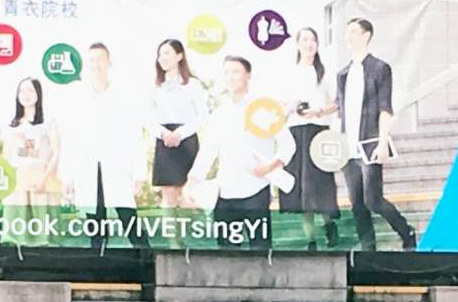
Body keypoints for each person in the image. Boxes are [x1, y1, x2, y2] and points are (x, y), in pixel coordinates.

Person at [188, 55, 296, 251]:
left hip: (256, 190)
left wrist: (269, 166)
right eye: (226, 72)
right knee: (226, 253)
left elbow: (288, 145)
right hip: (225, 193)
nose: (230, 77)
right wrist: (193, 181)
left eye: (236, 71)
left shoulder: (264, 108)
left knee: (261, 251)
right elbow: (208, 150)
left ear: (248, 76)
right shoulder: (220, 113)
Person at [335, 17, 416, 252]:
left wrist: (382, 143)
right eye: (347, 32)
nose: (348, 37)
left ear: (366, 36)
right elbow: (339, 109)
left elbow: (385, 108)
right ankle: (368, 247)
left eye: (353, 32)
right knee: (357, 203)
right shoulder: (342, 74)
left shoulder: (379, 68)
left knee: (373, 199)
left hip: (369, 143)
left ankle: (406, 231)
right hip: (347, 145)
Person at [64, 42, 147, 248]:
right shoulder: (77, 97)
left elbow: (135, 136)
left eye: (100, 59)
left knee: (130, 221)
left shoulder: (123, 96)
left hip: (117, 166)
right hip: (87, 167)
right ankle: (98, 263)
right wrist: (67, 177)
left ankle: (147, 261)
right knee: (95, 225)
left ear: (109, 62)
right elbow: (71, 138)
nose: (96, 64)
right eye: (91, 60)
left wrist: (139, 173)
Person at [280, 28, 342, 251]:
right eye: (304, 40)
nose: (309, 44)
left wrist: (319, 111)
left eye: (313, 40)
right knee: (301, 187)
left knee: (320, 182)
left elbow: (337, 102)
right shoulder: (289, 73)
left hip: (319, 131)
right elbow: (282, 106)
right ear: (297, 44)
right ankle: (311, 240)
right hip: (296, 132)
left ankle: (329, 224)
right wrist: (293, 107)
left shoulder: (325, 72)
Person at [149, 38, 206, 210]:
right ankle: (171, 230)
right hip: (164, 140)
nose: (162, 58)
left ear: (179, 56)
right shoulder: (155, 86)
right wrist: (163, 133)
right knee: (168, 198)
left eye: (167, 53)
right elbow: (147, 117)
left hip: (187, 140)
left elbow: (203, 116)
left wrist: (180, 133)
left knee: (189, 195)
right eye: (160, 54)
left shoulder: (193, 84)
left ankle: (192, 227)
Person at [2, 77, 60, 225]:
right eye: (21, 91)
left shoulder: (48, 122)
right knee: (17, 226)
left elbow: (56, 153)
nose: (25, 94)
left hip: (41, 181)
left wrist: (44, 179)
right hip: (18, 183)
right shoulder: (12, 126)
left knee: (42, 225)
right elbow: (6, 158)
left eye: (30, 90)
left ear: (38, 94)